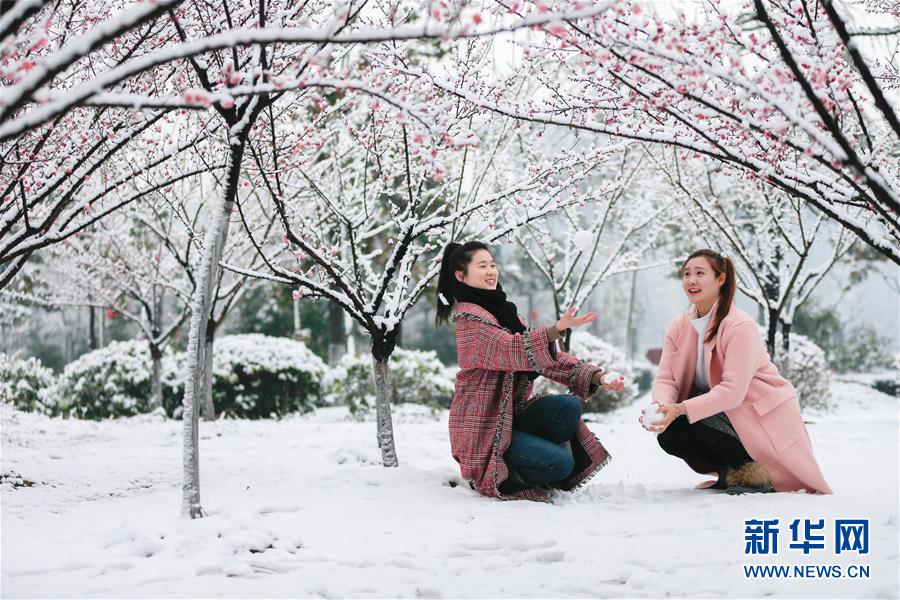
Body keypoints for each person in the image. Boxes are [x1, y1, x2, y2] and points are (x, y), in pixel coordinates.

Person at [436, 241, 625, 501]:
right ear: (461, 275)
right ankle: (504, 473)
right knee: (561, 465)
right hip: (485, 435)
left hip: (508, 421)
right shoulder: (469, 323)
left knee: (568, 406)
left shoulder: (505, 314)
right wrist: (554, 331)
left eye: (493, 264)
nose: (491, 271)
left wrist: (598, 376)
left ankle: (533, 459)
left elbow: (547, 359)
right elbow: (513, 351)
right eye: (482, 266)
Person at [642, 249, 831, 494]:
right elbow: (666, 378)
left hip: (755, 412)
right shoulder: (679, 325)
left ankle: (755, 475)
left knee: (692, 415)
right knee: (671, 434)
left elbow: (733, 392)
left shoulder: (739, 325)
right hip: (720, 413)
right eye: (686, 274)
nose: (691, 280)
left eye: (700, 273)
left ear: (720, 279)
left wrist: (680, 409)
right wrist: (663, 408)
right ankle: (730, 473)